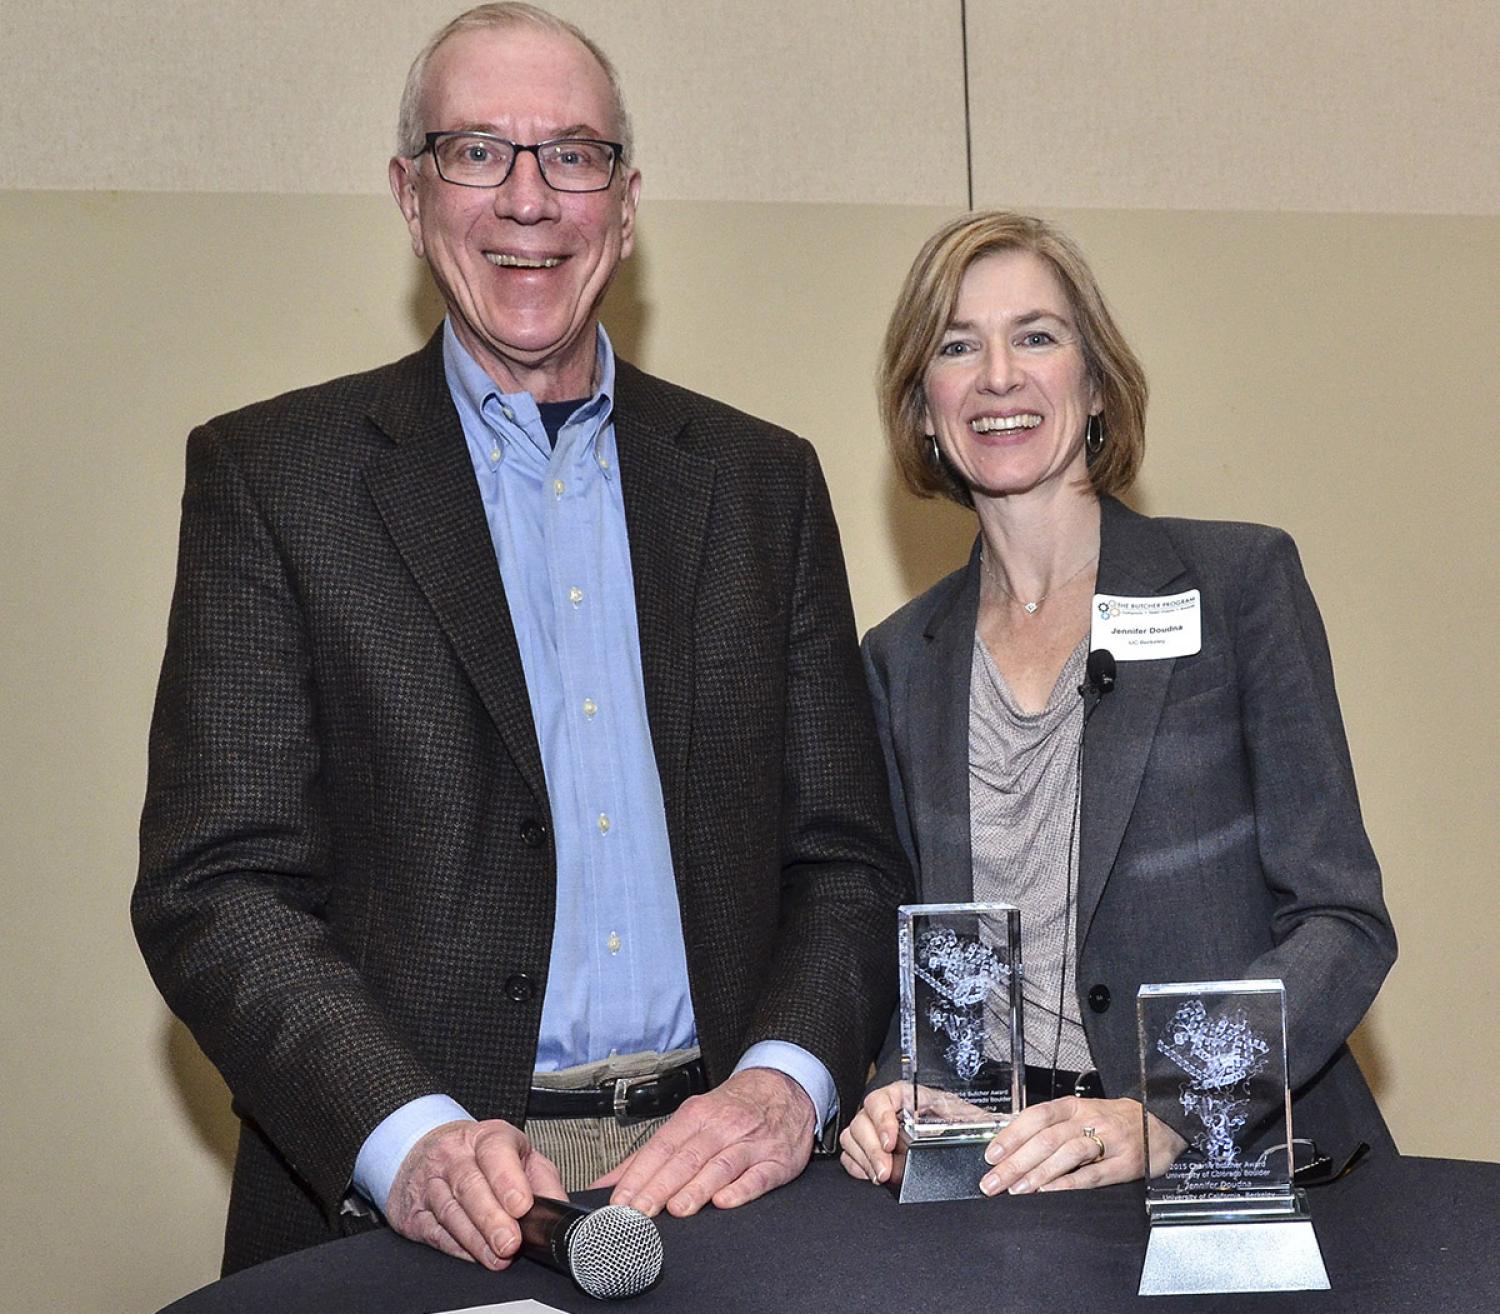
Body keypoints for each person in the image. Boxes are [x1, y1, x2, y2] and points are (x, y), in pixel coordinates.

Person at [134, 2, 906, 1276]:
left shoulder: (764, 483)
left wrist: (785, 1085)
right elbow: (218, 889)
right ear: (410, 191)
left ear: (629, 200)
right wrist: (411, 1139)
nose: (530, 199)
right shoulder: (275, 480)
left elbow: (845, 862)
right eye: (478, 151)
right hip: (416, 1211)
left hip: (738, 1193)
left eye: (574, 155)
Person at [838, 211, 1395, 1197]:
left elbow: (1341, 923)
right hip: (1010, 1188)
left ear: (1093, 385)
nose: (999, 375)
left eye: (1037, 336)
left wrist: (1168, 1111)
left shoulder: (1238, 587)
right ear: (923, 407)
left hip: (1239, 1173)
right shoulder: (899, 662)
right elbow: (934, 973)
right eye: (958, 346)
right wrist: (904, 1090)